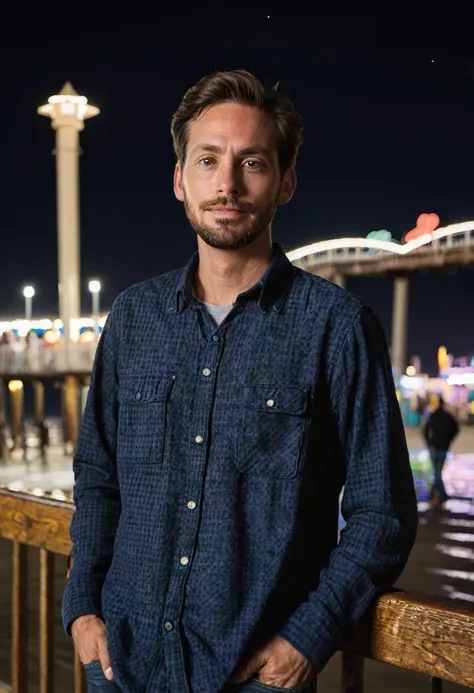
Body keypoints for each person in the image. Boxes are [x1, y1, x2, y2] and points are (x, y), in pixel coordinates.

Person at [63, 70, 418, 693]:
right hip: (120, 668)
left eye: (251, 162)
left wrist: (308, 637)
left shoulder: (337, 328)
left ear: (284, 182)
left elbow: (381, 514)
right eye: (208, 160)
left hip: (253, 679)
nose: (227, 184)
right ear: (180, 180)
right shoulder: (132, 318)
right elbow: (98, 477)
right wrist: (82, 613)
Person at [424, 397, 459, 506]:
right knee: (438, 471)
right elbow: (456, 429)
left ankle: (436, 493)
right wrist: (450, 440)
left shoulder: (433, 415)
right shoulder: (448, 416)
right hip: (444, 446)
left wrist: (429, 442)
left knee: (437, 471)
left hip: (434, 446)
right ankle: (441, 494)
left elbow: (425, 430)